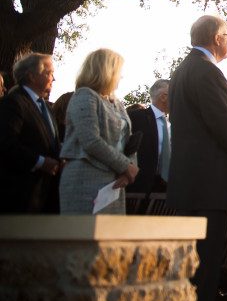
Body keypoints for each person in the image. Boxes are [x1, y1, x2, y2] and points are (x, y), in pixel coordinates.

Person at [167, 15, 227, 301]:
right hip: (209, 183)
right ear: (217, 38)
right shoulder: (208, 71)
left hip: (187, 180)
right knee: (206, 262)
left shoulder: (182, 71)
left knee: (189, 262)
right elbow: (223, 122)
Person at [60, 49, 139, 214]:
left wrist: (130, 169)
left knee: (112, 237)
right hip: (85, 178)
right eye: (119, 72)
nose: (121, 77)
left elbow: (128, 141)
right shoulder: (84, 96)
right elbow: (91, 141)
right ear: (106, 71)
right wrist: (125, 165)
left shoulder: (117, 103)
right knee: (84, 235)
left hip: (115, 182)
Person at [0, 53, 63, 213]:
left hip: (44, 194)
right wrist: (41, 162)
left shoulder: (46, 107)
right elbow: (6, 143)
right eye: (49, 73)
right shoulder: (13, 103)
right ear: (32, 76)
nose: (53, 79)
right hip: (19, 195)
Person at [127, 79, 171, 203]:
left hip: (165, 190)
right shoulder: (136, 117)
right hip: (138, 189)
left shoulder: (171, 124)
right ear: (164, 97)